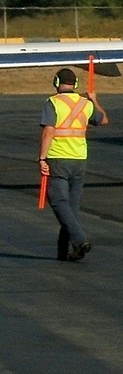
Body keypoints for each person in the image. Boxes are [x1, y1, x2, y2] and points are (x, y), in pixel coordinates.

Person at [40, 68, 109, 261]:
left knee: (58, 202)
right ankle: (64, 251)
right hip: (79, 159)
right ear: (76, 85)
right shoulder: (85, 104)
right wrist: (94, 99)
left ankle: (79, 241)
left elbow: (48, 131)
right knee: (71, 206)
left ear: (56, 82)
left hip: (58, 158)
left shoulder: (53, 102)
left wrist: (41, 158)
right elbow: (103, 120)